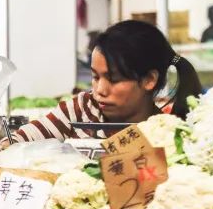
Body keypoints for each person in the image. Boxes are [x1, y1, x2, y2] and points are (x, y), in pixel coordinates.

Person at [13, 20, 201, 142]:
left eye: (114, 79)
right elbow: (17, 142)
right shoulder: (81, 110)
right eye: (95, 77)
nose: (99, 90)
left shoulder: (165, 135)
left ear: (149, 80)